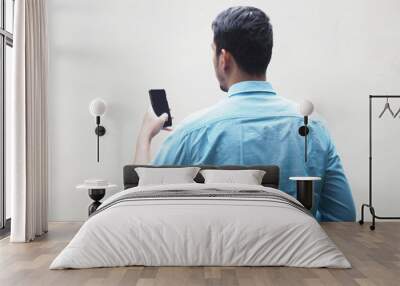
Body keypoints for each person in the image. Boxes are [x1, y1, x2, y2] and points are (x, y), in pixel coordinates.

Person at [134, 6, 356, 222]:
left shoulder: (189, 133)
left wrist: (144, 138)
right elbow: (343, 218)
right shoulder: (315, 129)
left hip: (214, 258)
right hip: (299, 257)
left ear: (224, 59)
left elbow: (140, 208)